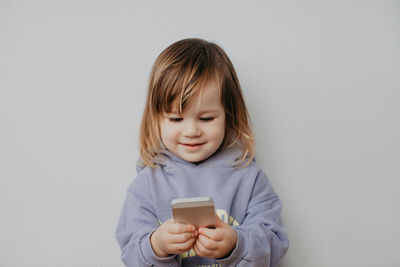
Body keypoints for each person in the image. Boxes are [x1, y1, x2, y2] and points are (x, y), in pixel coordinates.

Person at [115, 38, 289, 267]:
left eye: (206, 118)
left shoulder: (250, 179)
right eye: (176, 118)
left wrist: (236, 244)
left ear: (229, 115)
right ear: (156, 119)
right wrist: (157, 245)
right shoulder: (146, 185)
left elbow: (275, 244)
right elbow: (130, 253)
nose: (191, 131)